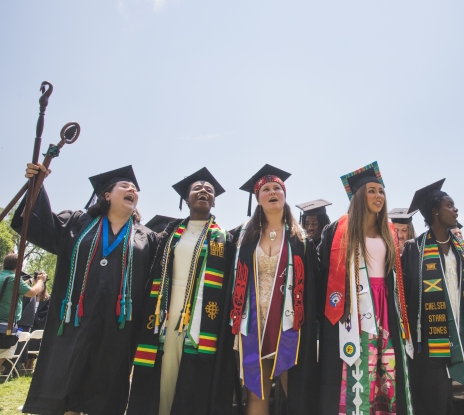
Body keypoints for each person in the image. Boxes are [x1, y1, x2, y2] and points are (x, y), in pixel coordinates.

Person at [12, 164, 157, 415]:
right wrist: (37, 184)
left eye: (134, 188)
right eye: (124, 185)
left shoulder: (146, 237)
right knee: (66, 386)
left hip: (118, 326)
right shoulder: (78, 223)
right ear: (107, 195)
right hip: (72, 321)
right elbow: (39, 223)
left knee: (105, 390)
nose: (132, 188)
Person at [127, 167, 236, 415]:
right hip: (165, 315)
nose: (203, 192)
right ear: (186, 198)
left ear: (214, 200)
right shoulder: (167, 235)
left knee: (192, 381)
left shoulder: (224, 239)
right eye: (197, 188)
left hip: (201, 320)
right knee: (163, 374)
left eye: (209, 190)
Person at [317, 162, 413, 415]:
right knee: (356, 366)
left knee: (385, 367)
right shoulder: (337, 230)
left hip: (385, 307)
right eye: (371, 191)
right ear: (359, 196)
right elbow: (324, 272)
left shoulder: (389, 231)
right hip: (353, 307)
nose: (378, 196)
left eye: (381, 191)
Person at [230, 164, 319, 415]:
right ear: (257, 199)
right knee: (257, 392)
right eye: (266, 189)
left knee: (296, 390)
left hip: (289, 324)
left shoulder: (300, 240)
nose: (272, 192)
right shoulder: (242, 238)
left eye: (277, 188)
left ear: (284, 195)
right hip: (253, 323)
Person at [400, 180, 464, 415]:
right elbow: (407, 298)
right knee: (439, 401)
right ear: (434, 211)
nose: (456, 210)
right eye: (449, 205)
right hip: (433, 346)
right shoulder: (415, 249)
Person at [0, 253, 46, 369]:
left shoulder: (4, 277)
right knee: (3, 354)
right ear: (19, 266)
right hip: (6, 324)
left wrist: (30, 281)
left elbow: (12, 287)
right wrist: (40, 281)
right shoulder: (14, 279)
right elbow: (31, 293)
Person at [25, 278, 51, 372]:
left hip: (38, 324)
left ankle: (31, 361)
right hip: (28, 322)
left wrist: (35, 317)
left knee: (34, 343)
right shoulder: (29, 297)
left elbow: (46, 312)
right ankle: (24, 361)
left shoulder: (48, 299)